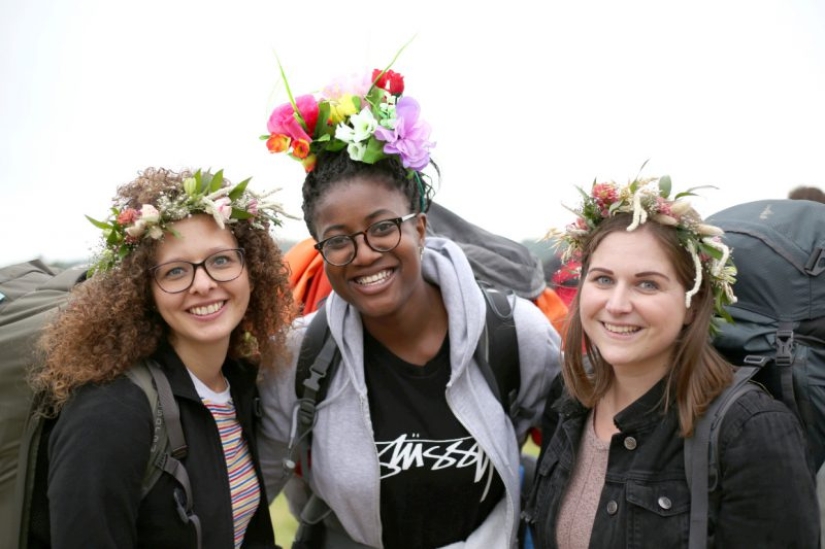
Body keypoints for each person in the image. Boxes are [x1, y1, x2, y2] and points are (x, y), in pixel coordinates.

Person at [257, 66, 563, 548]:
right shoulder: (299, 356)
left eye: (383, 228)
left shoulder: (514, 335)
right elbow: (248, 497)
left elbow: (573, 463)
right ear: (319, 250)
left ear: (420, 228)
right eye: (338, 241)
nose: (364, 254)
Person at [523, 176, 819, 547]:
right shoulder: (569, 397)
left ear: (692, 305)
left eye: (647, 284)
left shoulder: (750, 431)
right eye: (602, 279)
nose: (616, 304)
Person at [28, 167, 295, 548]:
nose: (203, 284)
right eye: (175, 271)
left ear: (251, 269)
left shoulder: (239, 381)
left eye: (221, 261)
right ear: (143, 290)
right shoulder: (110, 413)